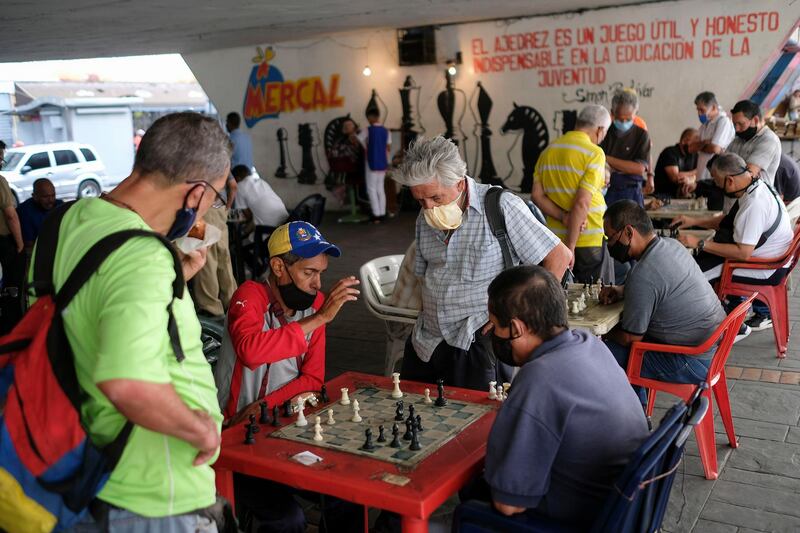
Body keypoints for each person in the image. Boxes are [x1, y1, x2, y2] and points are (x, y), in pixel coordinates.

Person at [47, 112, 228, 529]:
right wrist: (201, 430)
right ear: (197, 192)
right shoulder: (141, 254)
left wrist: (171, 280)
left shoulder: (71, 221)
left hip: (81, 469)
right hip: (149, 493)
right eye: (214, 196)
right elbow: (127, 382)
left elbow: (84, 308)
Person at [466, 265, 648, 528]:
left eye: (495, 326)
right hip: (623, 506)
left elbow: (509, 505)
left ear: (516, 328)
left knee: (471, 503)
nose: (493, 334)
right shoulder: (590, 343)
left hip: (582, 521)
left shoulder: (538, 378)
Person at [392, 136, 571, 391]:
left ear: (459, 183)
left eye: (436, 198)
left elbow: (559, 256)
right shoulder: (425, 218)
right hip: (427, 341)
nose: (428, 207)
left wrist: (519, 314)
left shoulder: (499, 207)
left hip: (476, 340)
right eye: (420, 201)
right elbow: (424, 275)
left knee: (477, 422)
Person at [216, 221, 362, 532]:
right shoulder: (250, 296)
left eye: (320, 273)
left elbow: (312, 379)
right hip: (233, 436)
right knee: (287, 519)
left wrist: (264, 405)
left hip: (283, 427)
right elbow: (251, 351)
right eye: (309, 273)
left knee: (349, 492)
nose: (317, 284)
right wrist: (320, 319)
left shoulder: (316, 306)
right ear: (279, 267)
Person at [599, 200, 728, 406]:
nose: (609, 245)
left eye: (611, 237)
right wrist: (621, 290)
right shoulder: (672, 245)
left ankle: (636, 419)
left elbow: (631, 339)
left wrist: (599, 334)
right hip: (714, 349)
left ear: (629, 232)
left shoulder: (644, 274)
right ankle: (639, 413)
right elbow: (661, 286)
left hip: (692, 361)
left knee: (604, 353)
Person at [675, 153, 793, 332]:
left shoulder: (755, 204)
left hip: (765, 268)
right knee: (697, 264)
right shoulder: (757, 186)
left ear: (729, 181)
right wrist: (694, 221)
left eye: (716, 181)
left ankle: (731, 326)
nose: (715, 185)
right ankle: (731, 317)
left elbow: (742, 253)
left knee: (690, 277)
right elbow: (729, 220)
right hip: (769, 259)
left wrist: (699, 242)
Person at [532, 104, 614, 283]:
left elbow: (537, 196)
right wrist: (571, 247)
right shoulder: (594, 153)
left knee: (562, 300)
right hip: (588, 238)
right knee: (595, 301)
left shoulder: (548, 151)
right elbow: (582, 203)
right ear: (600, 130)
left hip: (554, 238)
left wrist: (563, 216)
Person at [600, 89, 652, 207]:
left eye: (628, 119)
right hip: (607, 190)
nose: (623, 122)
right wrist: (626, 166)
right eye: (619, 119)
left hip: (632, 191)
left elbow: (639, 168)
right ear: (612, 113)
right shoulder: (604, 132)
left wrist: (606, 158)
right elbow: (596, 162)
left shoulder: (641, 135)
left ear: (635, 113)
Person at [726, 99, 782, 189]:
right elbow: (722, 163)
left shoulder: (769, 140)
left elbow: (747, 175)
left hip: (756, 198)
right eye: (734, 124)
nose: (736, 129)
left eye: (741, 124)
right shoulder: (739, 139)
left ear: (755, 120)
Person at [0, 140, 25, 333]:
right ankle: (13, 327)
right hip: (3, 241)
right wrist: (20, 244)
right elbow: (10, 214)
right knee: (13, 285)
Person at [689, 92, 735, 186]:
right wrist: (706, 143)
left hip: (713, 178)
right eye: (698, 110)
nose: (699, 113)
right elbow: (691, 147)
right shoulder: (705, 124)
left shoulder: (723, 122)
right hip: (701, 176)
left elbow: (715, 149)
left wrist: (701, 145)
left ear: (713, 108)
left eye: (702, 110)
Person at [357, 109, 391, 223]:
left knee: (371, 189)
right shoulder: (387, 131)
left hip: (371, 161)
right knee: (380, 188)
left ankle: (376, 214)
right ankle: (382, 212)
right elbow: (388, 147)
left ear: (370, 117)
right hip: (383, 163)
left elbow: (359, 140)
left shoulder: (367, 130)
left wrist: (367, 147)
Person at [17, 178, 61, 250]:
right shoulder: (24, 211)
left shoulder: (60, 205)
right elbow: (29, 242)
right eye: (45, 197)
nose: (51, 200)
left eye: (53, 195)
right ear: (35, 196)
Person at [653, 128, 698, 198]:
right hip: (664, 195)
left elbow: (699, 177)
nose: (697, 146)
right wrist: (696, 172)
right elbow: (676, 178)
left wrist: (691, 179)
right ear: (684, 141)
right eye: (694, 143)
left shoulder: (695, 155)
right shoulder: (670, 152)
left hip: (683, 194)